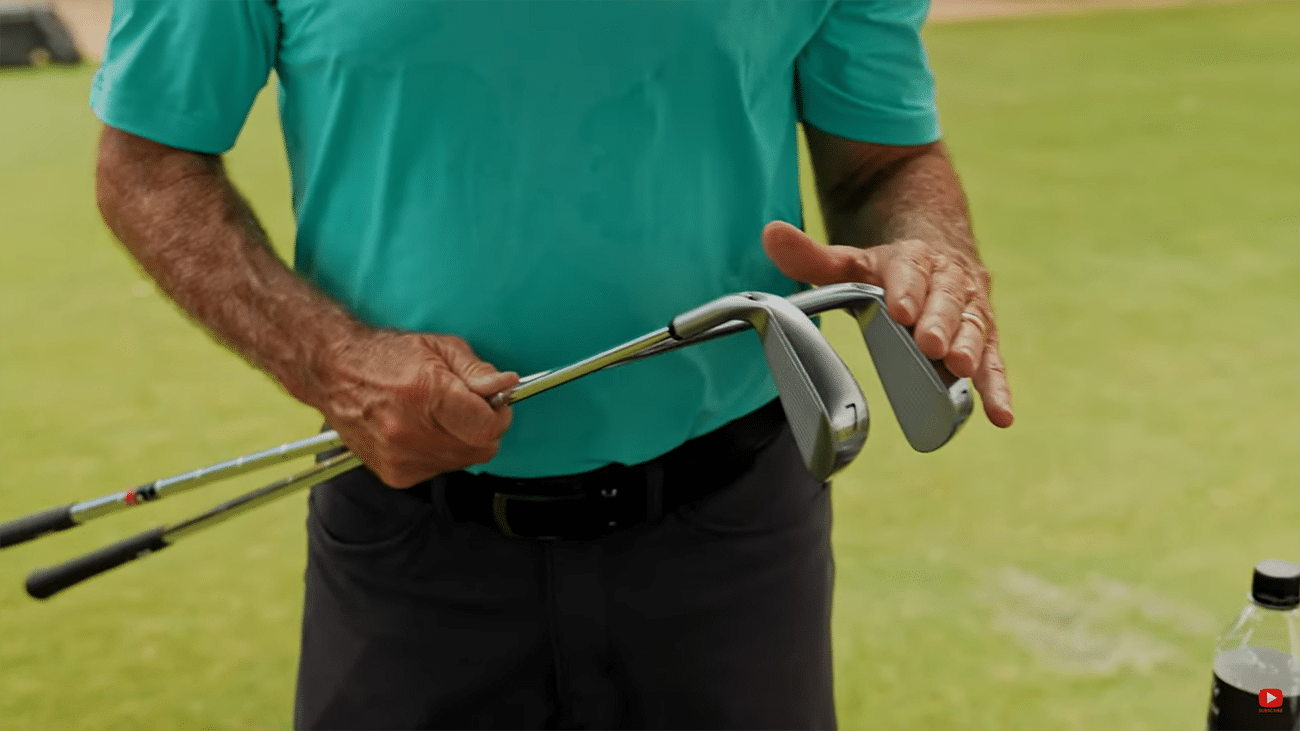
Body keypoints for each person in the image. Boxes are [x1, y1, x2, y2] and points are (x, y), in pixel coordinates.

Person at [91, 1, 1014, 728]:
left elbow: (882, 165)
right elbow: (147, 157)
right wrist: (331, 359)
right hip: (412, 544)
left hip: (733, 537)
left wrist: (929, 247)